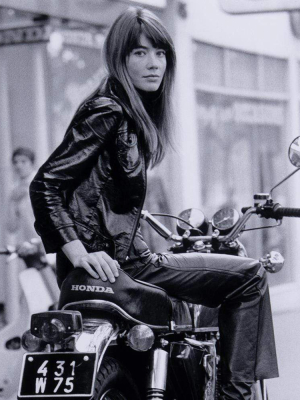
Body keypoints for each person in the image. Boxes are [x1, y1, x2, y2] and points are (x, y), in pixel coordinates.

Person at [29, 7, 278, 399]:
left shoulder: (120, 110)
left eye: (160, 53)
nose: (153, 63)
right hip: (126, 263)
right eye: (139, 53)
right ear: (119, 58)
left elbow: (97, 193)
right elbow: (45, 184)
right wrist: (78, 250)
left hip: (114, 261)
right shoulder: (109, 110)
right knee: (250, 276)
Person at [6, 147, 37, 245]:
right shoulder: (15, 189)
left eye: (23, 161)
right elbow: (11, 227)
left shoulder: (41, 183)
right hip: (28, 246)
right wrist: (13, 201)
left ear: (32, 163)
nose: (19, 166)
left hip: (48, 243)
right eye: (15, 162)